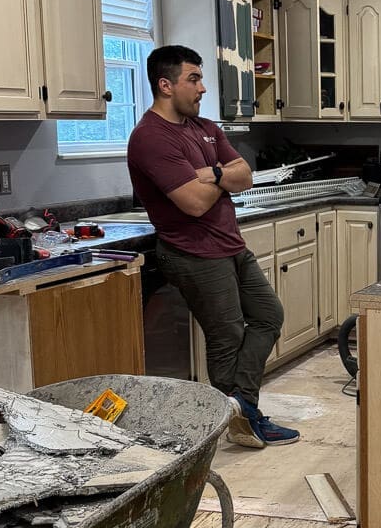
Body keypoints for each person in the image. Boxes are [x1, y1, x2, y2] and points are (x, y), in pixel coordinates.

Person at [127, 44, 300, 449]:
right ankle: (246, 419)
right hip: (193, 252)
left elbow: (246, 176)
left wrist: (213, 172)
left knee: (268, 315)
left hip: (229, 245)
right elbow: (192, 203)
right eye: (194, 78)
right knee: (226, 337)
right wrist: (222, 178)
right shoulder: (150, 138)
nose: (203, 88)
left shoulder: (205, 128)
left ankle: (237, 405)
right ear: (165, 85)